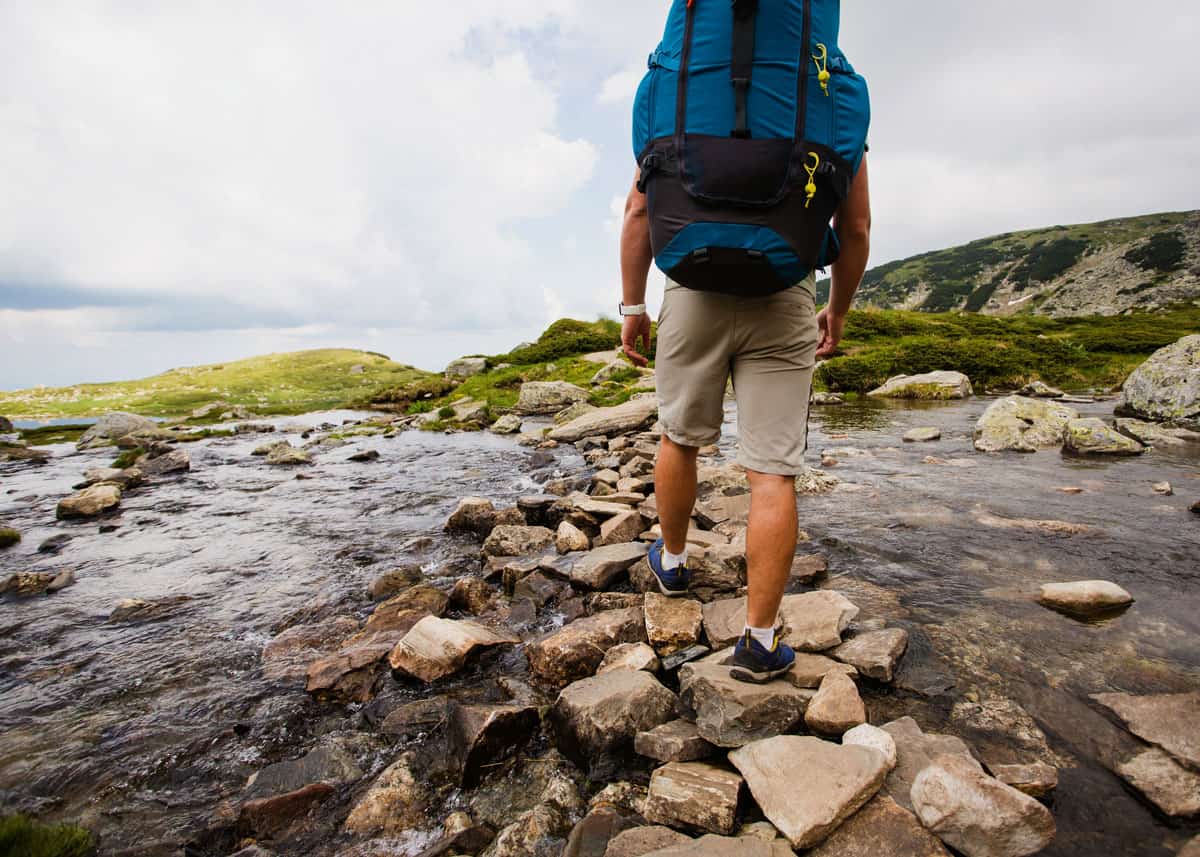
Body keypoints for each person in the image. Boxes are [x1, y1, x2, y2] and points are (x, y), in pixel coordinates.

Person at [617, 155, 871, 683]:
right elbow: (854, 227)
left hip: (692, 290)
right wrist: (839, 309)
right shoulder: (833, 89)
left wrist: (632, 306)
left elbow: (638, 211)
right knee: (773, 471)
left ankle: (675, 562)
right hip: (786, 292)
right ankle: (758, 641)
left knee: (679, 438)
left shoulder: (675, 78)